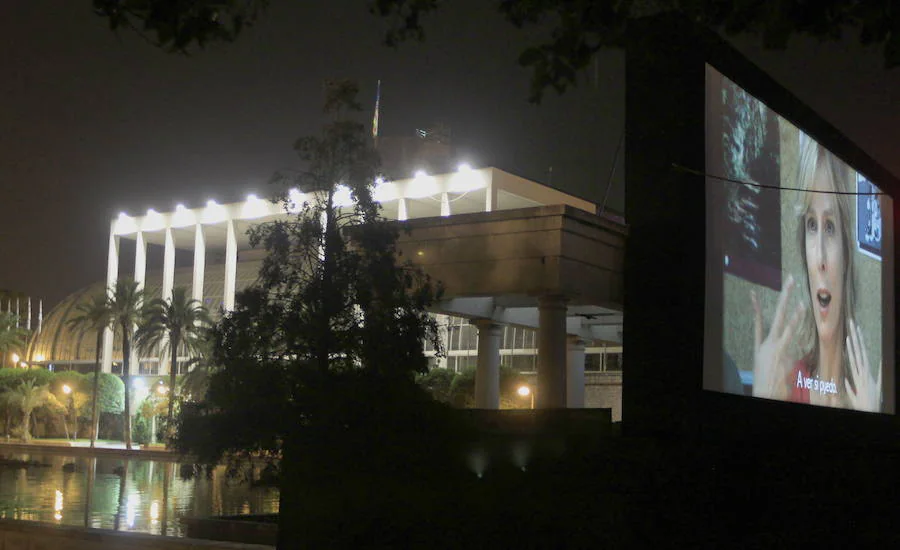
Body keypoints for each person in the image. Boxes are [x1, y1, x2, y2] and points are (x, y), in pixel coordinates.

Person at [751, 136, 881, 412]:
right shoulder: (784, 383)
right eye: (812, 224)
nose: (819, 258)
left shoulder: (866, 397)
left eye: (831, 227)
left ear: (848, 254)